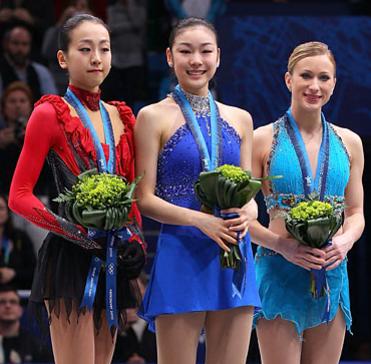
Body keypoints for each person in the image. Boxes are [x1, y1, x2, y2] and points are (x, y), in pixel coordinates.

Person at [8, 13, 145, 364]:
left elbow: (131, 196)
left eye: (105, 48)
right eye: (85, 49)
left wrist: (137, 242)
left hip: (113, 257)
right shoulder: (50, 113)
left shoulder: (122, 117)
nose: (97, 57)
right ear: (63, 59)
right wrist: (75, 232)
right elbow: (18, 196)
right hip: (70, 260)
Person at [135, 17, 260, 364]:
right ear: (169, 57)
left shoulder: (241, 119)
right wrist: (201, 221)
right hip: (182, 252)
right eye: (185, 51)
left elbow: (249, 192)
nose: (196, 60)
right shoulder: (151, 117)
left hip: (234, 252)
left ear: (218, 57)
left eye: (205, 51)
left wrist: (249, 212)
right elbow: (143, 198)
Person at [250, 41, 364, 364]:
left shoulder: (350, 143)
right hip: (278, 270)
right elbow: (241, 219)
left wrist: (344, 241)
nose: (315, 86)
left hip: (331, 273)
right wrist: (281, 245)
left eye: (324, 78)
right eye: (306, 76)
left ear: (334, 84)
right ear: (289, 80)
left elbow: (356, 213)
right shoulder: (263, 139)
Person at [0, 24, 57, 100]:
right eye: (15, 43)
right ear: (6, 44)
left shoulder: (41, 72)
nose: (20, 49)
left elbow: (52, 103)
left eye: (24, 44)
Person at [0, 285, 53, 363]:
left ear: (20, 310)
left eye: (13, 302)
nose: (8, 306)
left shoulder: (37, 347)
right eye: (2, 302)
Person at [0, 194, 36, 289]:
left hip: (18, 294)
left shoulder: (20, 237)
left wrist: (14, 274)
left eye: (1, 208)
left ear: (8, 212)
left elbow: (34, 271)